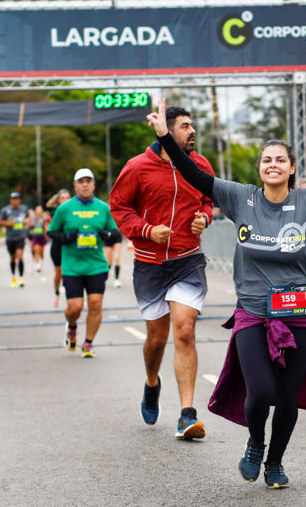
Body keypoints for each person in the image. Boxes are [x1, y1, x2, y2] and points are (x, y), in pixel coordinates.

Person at [146, 96, 306, 488]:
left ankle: (275, 461)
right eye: (266, 160)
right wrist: (165, 139)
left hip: (299, 313)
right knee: (260, 391)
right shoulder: (242, 197)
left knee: (288, 399)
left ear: (291, 169)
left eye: (280, 160)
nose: (272, 165)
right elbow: (193, 175)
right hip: (254, 312)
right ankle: (255, 443)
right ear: (260, 168)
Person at [109, 105, 214, 440]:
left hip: (188, 259)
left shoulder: (199, 164)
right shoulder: (137, 167)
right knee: (156, 340)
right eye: (185, 126)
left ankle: (186, 414)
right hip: (150, 264)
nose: (192, 131)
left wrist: (205, 218)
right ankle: (152, 383)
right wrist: (145, 230)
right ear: (166, 131)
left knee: (184, 332)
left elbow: (209, 199)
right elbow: (119, 206)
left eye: (192, 125)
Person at [48, 168, 118, 358]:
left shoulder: (103, 208)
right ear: (75, 186)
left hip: (96, 264)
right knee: (75, 307)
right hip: (72, 266)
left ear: (94, 185)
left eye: (89, 181)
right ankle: (71, 327)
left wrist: (107, 235)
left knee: (95, 304)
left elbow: (115, 232)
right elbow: (51, 232)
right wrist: (66, 237)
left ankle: (88, 343)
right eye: (81, 181)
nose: (85, 184)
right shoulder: (64, 209)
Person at [0, 192, 29, 288]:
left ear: (19, 200)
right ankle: (13, 277)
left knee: (19, 256)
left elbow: (28, 218)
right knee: (12, 258)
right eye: (13, 199)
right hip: (10, 237)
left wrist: (27, 222)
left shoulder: (24, 209)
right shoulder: (5, 210)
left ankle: (21, 278)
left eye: (17, 199)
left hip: (20, 236)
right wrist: (8, 224)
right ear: (11, 200)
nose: (15, 201)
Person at [47, 189, 72, 307]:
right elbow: (49, 231)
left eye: (67, 198)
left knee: (70, 273)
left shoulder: (75, 212)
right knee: (59, 274)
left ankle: (71, 298)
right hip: (58, 246)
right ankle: (56, 293)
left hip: (71, 246)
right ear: (58, 201)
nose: (65, 200)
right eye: (62, 198)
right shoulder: (53, 213)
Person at [27, 205, 50, 273]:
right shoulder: (33, 219)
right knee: (37, 250)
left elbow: (47, 227)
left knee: (41, 252)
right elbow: (28, 227)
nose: (39, 211)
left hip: (42, 237)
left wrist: (44, 225)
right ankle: (37, 264)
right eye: (37, 209)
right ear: (36, 211)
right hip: (35, 236)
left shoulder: (44, 219)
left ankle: (41, 261)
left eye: (40, 209)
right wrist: (31, 225)